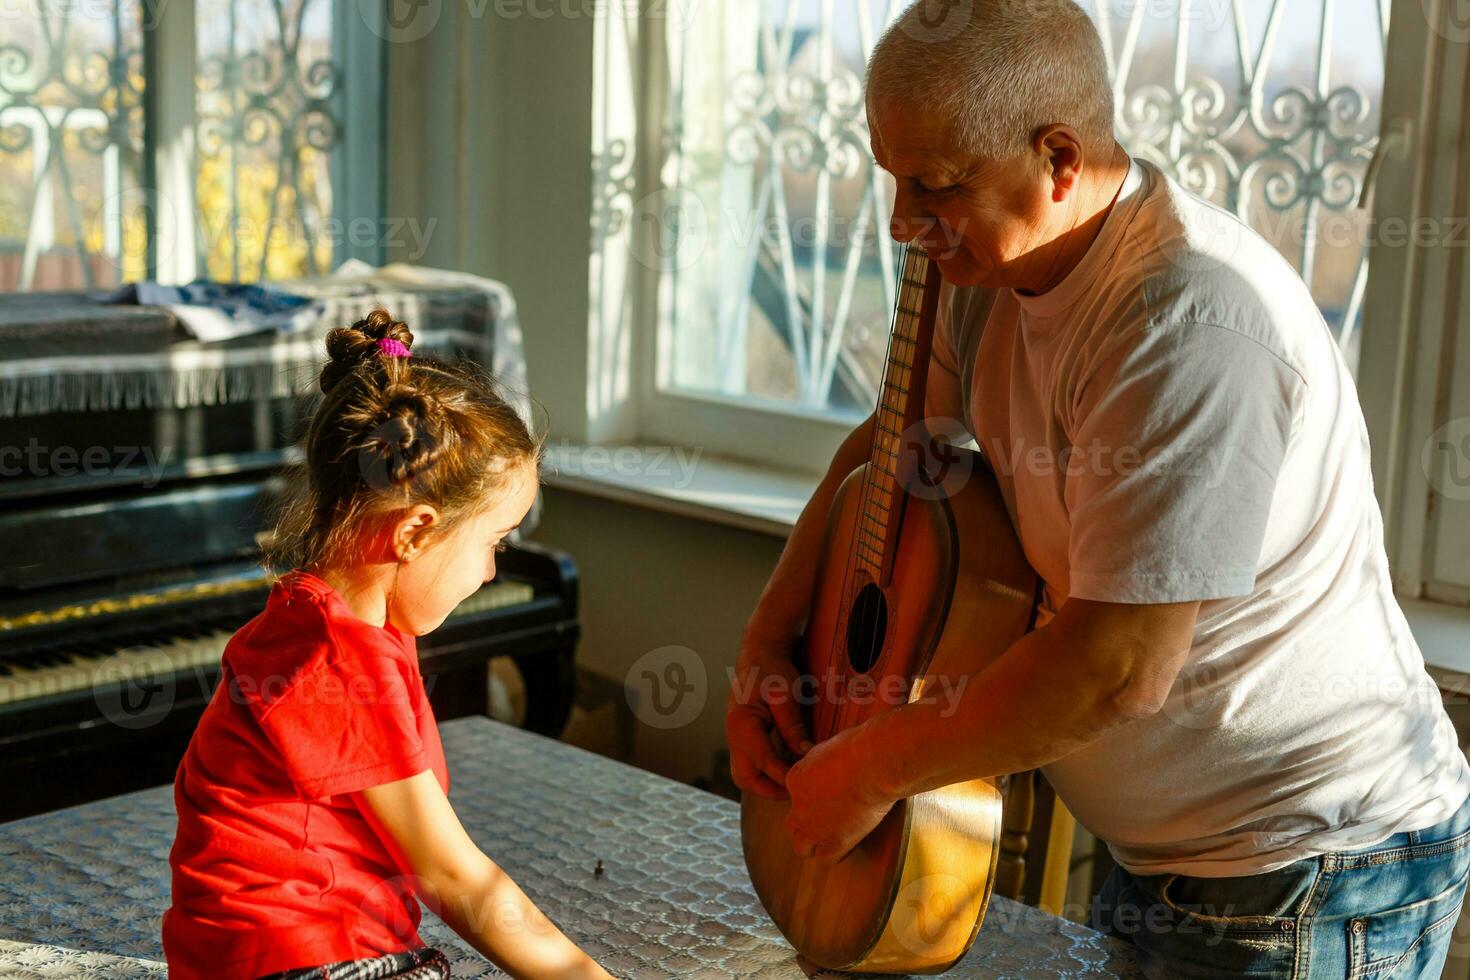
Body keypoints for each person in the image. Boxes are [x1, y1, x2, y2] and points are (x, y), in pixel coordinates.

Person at [725, 1, 1470, 976]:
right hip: (1157, 855)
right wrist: (768, 639)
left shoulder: (1186, 325)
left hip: (1306, 870)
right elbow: (892, 446)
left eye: (937, 186)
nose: (903, 223)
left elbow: (1119, 665)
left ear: (1061, 161)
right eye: (891, 180)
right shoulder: (983, 276)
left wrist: (872, 766)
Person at [163, 309, 613, 980]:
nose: (491, 570)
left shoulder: (317, 618)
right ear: (413, 534)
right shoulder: (342, 660)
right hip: (297, 962)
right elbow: (454, 878)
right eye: (494, 543)